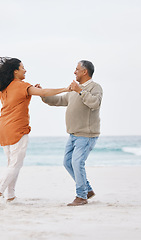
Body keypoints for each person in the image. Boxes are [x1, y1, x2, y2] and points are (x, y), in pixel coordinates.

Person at [0, 57, 70, 205]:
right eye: (22, 67)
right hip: (17, 128)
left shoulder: (5, 87)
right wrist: (66, 89)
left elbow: (31, 94)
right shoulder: (21, 86)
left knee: (12, 163)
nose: (25, 70)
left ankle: (11, 196)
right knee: (15, 164)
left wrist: (35, 90)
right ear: (15, 71)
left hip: (4, 127)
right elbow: (45, 93)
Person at [40, 60, 103, 206]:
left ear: (84, 72)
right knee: (67, 163)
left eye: (76, 69)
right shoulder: (75, 90)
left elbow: (95, 103)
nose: (74, 72)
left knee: (77, 162)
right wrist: (43, 95)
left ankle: (81, 197)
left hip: (86, 135)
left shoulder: (95, 87)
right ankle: (87, 190)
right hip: (73, 135)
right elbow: (59, 100)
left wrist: (80, 91)